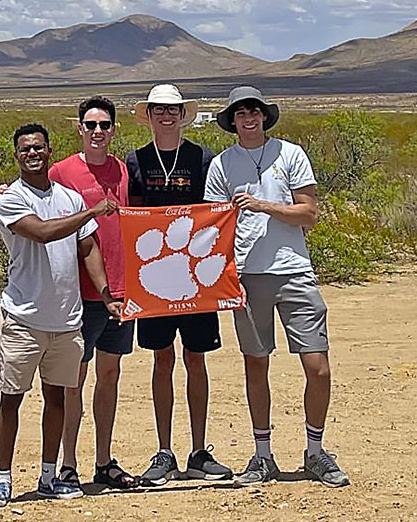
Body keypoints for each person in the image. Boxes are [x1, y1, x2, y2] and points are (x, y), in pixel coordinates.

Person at [204, 86, 350, 487]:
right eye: (240, 113)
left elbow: (309, 214)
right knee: (256, 363)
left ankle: (315, 451)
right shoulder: (222, 164)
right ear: (231, 121)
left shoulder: (291, 154)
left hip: (293, 270)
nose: (248, 118)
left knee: (317, 366)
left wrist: (265, 205)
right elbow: (214, 223)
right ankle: (263, 454)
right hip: (247, 275)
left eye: (254, 111)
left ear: (265, 117)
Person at [0, 98, 138, 490]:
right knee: (14, 396)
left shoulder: (98, 182)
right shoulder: (14, 199)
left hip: (69, 315)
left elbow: (87, 248)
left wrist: (109, 294)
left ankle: (51, 475)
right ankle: (6, 478)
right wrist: (91, 212)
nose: (33, 154)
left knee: (58, 395)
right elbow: (41, 232)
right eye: (26, 149)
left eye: (39, 148)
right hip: (25, 315)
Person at [126, 84, 232, 485]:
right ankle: (164, 451)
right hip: (152, 280)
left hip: (195, 278)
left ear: (183, 115)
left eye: (173, 110)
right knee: (161, 359)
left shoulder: (203, 159)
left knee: (196, 358)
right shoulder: (135, 161)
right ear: (149, 115)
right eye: (159, 110)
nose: (167, 116)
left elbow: (216, 210)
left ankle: (199, 450)